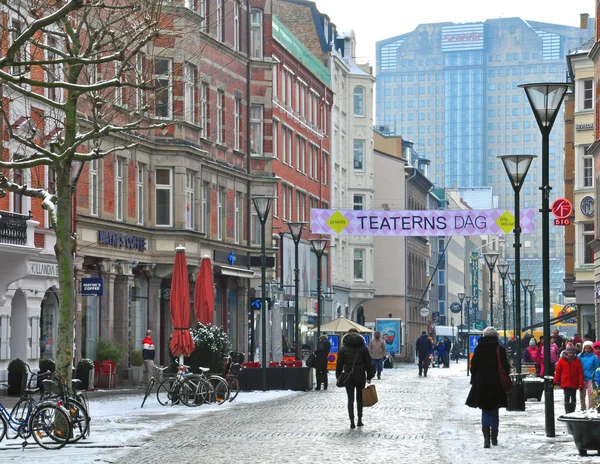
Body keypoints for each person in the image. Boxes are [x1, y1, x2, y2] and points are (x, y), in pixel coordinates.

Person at [466, 327, 510, 449]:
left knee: (485, 410)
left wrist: (475, 378)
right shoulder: (499, 349)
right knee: (494, 410)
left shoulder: (479, 349)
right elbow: (506, 366)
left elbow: (473, 366)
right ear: (496, 336)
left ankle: (486, 439)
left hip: (482, 382)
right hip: (496, 382)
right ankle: (494, 437)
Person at [336, 328, 374, 429]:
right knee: (359, 398)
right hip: (360, 374)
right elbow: (368, 363)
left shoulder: (343, 348)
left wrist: (338, 376)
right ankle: (360, 420)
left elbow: (339, 364)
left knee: (350, 399)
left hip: (348, 375)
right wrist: (369, 376)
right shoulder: (363, 348)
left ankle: (352, 421)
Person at [554, 342, 584, 414]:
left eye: (572, 353)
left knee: (573, 397)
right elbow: (558, 372)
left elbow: (580, 372)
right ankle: (567, 410)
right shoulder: (561, 361)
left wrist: (581, 383)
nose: (571, 354)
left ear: (574, 353)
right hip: (565, 382)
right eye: (569, 353)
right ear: (566, 353)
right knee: (566, 396)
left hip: (574, 382)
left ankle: (572, 410)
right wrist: (556, 380)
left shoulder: (577, 361)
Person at [578, 340, 600, 410]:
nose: (587, 350)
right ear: (583, 348)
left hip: (591, 378)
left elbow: (597, 368)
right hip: (582, 377)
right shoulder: (579, 356)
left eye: (589, 348)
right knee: (582, 394)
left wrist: (595, 377)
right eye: (586, 348)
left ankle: (591, 407)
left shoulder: (594, 357)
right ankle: (583, 407)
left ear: (591, 349)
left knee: (591, 394)